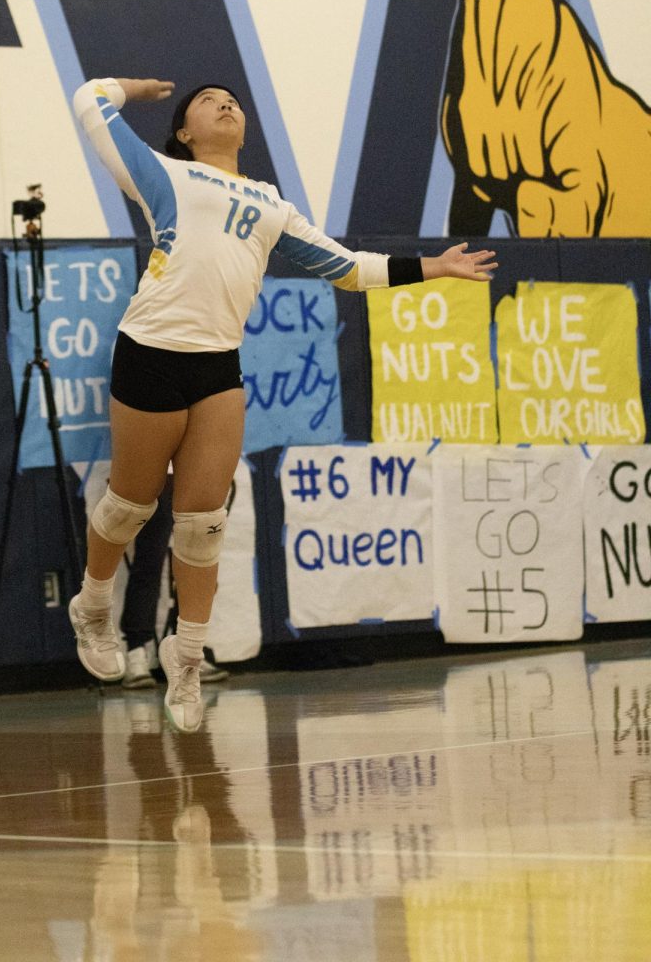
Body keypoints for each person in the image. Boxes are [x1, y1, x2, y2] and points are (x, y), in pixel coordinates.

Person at [68, 76, 497, 733]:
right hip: (150, 348)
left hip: (216, 364)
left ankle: (185, 659)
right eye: (206, 102)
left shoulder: (269, 203)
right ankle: (93, 605)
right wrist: (137, 88)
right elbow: (90, 102)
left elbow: (349, 268)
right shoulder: (163, 174)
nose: (224, 103)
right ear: (185, 132)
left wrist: (432, 267)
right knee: (129, 506)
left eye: (230, 100)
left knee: (203, 524)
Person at [121, 471, 229, 689]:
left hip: (194, 470)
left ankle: (188, 652)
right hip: (155, 471)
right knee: (149, 559)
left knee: (196, 561)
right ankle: (136, 652)